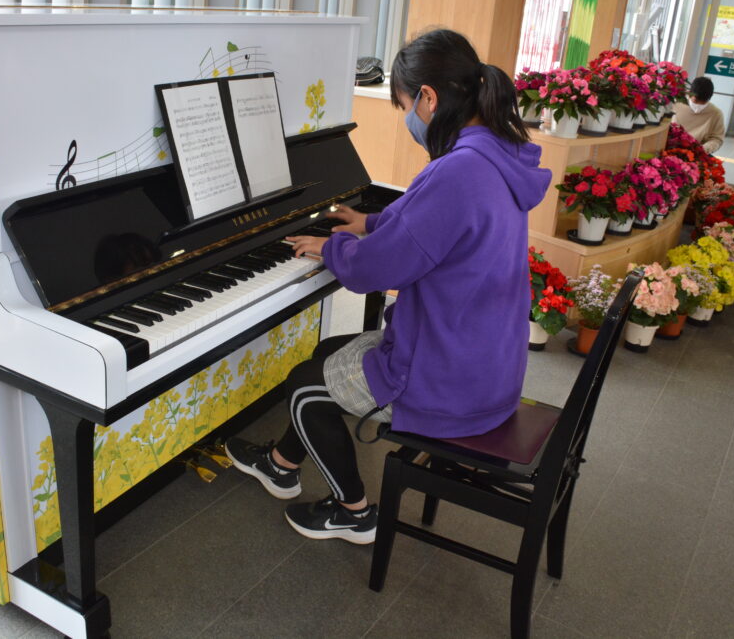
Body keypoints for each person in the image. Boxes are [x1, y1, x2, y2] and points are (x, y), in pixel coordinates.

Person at [223, 29, 551, 544]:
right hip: (486, 363)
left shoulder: (458, 171)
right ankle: (283, 463)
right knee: (332, 350)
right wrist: (369, 222)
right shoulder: (493, 154)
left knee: (304, 386)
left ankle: (352, 512)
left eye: (404, 105)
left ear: (429, 98)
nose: (407, 119)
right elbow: (431, 225)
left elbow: (371, 272)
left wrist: (329, 246)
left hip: (449, 380)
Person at [672, 77, 724, 153]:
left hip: (697, 152)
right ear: (689, 93)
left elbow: (717, 139)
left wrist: (703, 149)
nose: (698, 105)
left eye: (703, 102)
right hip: (671, 147)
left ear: (709, 98)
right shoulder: (676, 104)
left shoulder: (716, 114)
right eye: (695, 100)